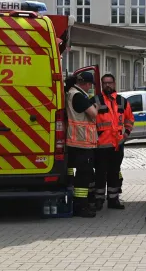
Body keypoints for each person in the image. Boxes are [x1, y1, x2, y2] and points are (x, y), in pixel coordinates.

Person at [91, 73, 134, 210]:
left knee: (114, 172)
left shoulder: (122, 101)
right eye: (105, 83)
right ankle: (99, 200)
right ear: (102, 85)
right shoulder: (95, 100)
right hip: (101, 145)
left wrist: (126, 134)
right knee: (100, 173)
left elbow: (129, 119)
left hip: (117, 145)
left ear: (114, 84)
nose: (107, 85)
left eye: (110, 82)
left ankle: (113, 199)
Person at [66, 72, 99, 218]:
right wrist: (96, 106)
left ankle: (81, 204)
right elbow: (93, 114)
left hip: (76, 141)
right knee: (83, 176)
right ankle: (81, 207)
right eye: (91, 85)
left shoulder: (71, 93)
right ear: (86, 84)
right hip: (82, 141)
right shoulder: (79, 96)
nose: (91, 87)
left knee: (82, 174)